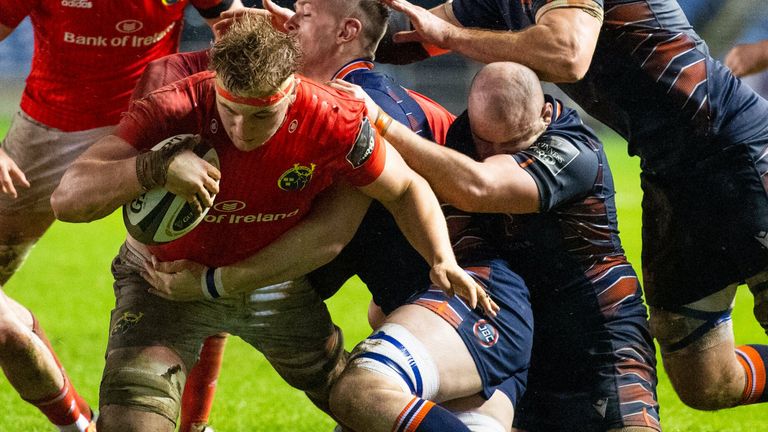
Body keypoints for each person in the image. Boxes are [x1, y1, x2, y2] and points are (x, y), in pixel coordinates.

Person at [50, 14, 489, 432]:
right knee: (131, 422)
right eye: (230, 110)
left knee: (358, 399)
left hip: (270, 286)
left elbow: (405, 189)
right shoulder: (175, 104)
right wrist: (154, 167)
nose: (242, 129)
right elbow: (66, 200)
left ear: (292, 90)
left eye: (261, 115)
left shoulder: (332, 118)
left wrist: (442, 259)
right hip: (162, 283)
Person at [374, 0, 768, 412]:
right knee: (706, 381)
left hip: (740, 150)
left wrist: (450, 38)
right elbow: (406, 33)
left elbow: (567, 54)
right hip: (670, 180)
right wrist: (320, 31)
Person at [329, 61, 659, 431]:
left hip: (601, 343)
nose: (496, 154)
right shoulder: (462, 140)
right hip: (518, 339)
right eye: (487, 142)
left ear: (545, 115)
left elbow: (480, 187)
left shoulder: (574, 149)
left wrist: (383, 123)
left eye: (514, 144)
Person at [0, 0, 241, 430]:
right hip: (47, 133)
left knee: (196, 269)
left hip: (151, 127)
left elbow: (231, 24)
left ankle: (195, 426)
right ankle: (77, 422)